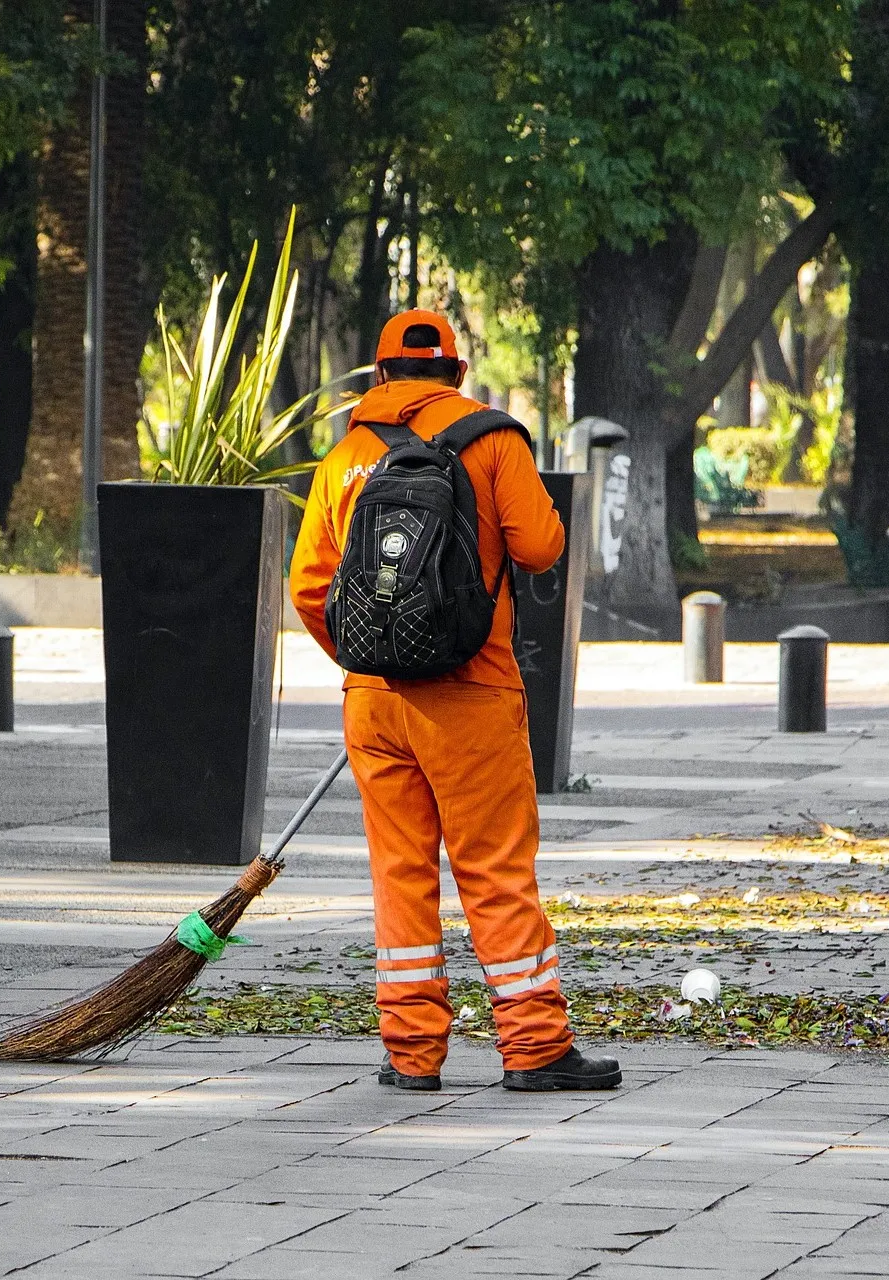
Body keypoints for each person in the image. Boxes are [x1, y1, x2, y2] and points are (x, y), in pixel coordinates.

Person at [289, 309, 621, 1094]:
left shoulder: (343, 456)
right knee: (495, 869)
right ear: (457, 374)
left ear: (378, 377)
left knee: (400, 874)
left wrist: (375, 657)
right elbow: (541, 547)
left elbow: (310, 588)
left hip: (373, 702)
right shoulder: (492, 439)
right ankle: (534, 1045)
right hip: (470, 694)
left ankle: (410, 1053)